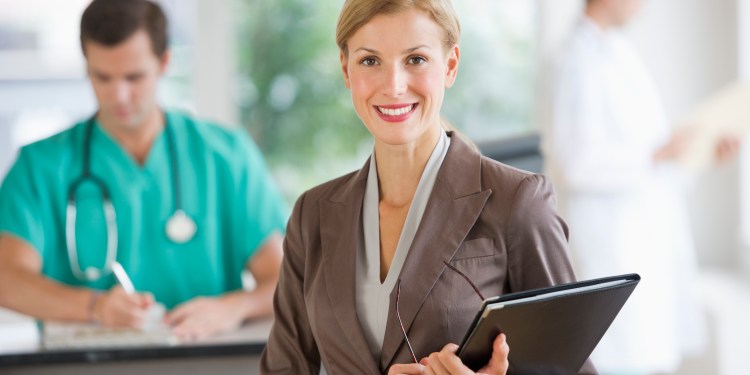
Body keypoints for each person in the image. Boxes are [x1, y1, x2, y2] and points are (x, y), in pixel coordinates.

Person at [260, 1, 595, 374]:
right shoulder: (313, 214)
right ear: (346, 69)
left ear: (450, 65)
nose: (394, 86)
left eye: (416, 59)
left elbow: (570, 369)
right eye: (370, 61)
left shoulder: (517, 202)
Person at [0, 0, 287, 340]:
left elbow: (283, 278)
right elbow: (7, 278)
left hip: (206, 358)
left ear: (164, 62)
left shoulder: (225, 155)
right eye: (102, 77)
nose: (118, 95)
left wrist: (234, 306)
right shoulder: (41, 165)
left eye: (134, 77)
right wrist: (94, 306)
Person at [541, 0, 739, 373]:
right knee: (618, 360)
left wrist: (703, 154)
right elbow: (573, 163)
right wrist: (657, 155)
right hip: (612, 250)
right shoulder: (575, 59)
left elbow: (654, 167)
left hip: (647, 245)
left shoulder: (620, 53)